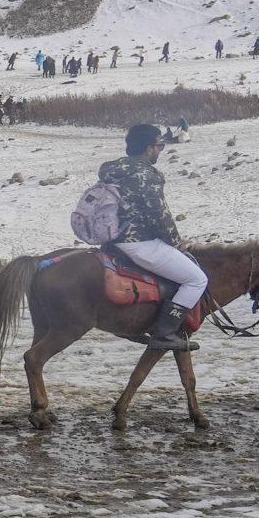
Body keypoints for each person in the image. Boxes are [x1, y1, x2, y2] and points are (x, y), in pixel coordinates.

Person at [99, 124, 202, 350]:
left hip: (110, 241)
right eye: (159, 146)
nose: (160, 150)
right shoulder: (146, 174)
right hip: (138, 242)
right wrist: (177, 243)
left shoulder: (113, 170)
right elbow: (160, 215)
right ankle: (164, 333)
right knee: (196, 280)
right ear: (148, 149)